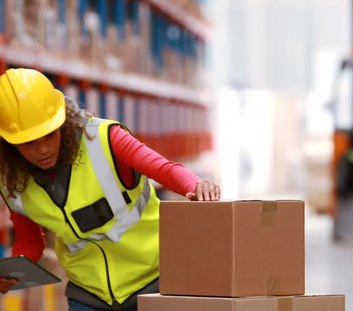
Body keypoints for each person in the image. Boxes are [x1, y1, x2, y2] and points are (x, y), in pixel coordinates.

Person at [0, 68, 221, 310]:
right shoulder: (11, 181)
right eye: (28, 142)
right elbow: (29, 241)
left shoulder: (103, 139)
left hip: (153, 281)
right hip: (88, 294)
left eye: (49, 134)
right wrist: (13, 271)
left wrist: (196, 186)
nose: (42, 149)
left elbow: (164, 169)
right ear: (9, 143)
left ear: (62, 121)